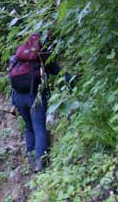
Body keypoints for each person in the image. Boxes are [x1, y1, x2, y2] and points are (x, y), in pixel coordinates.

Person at [9, 33, 71, 172]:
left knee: (29, 128)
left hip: (19, 98)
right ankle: (40, 163)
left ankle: (31, 160)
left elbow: (11, 82)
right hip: (35, 96)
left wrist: (13, 103)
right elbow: (60, 73)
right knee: (39, 128)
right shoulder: (42, 58)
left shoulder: (16, 59)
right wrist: (72, 80)